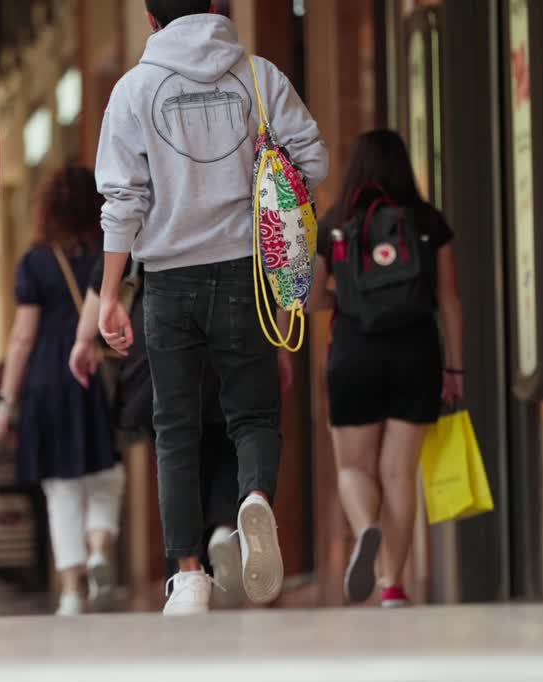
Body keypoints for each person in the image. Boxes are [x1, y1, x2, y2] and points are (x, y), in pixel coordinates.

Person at [94, 0, 327, 615]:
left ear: (151, 20)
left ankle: (189, 575)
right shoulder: (259, 76)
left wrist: (113, 293)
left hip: (167, 279)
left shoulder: (133, 89)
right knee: (252, 414)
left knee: (174, 428)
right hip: (245, 271)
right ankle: (253, 496)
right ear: (219, 7)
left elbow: (122, 199)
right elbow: (314, 161)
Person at [307, 129, 464, 608]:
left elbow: (309, 298)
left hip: (354, 350)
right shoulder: (426, 220)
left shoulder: (335, 224)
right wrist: (455, 370)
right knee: (399, 474)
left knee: (354, 467)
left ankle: (366, 528)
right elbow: (449, 301)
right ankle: (392, 586)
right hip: (416, 351)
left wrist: (346, 301)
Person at [70, 257, 246, 609]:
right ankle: (225, 527)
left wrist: (84, 340)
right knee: (227, 437)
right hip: (224, 326)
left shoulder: (149, 209)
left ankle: (186, 570)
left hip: (160, 340)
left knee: (174, 453)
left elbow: (103, 274)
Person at [0, 165, 123, 617]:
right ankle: (101, 548)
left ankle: (71, 590)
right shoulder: (110, 254)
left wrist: (6, 400)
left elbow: (23, 335)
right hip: (99, 373)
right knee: (105, 473)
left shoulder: (35, 262)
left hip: (48, 378)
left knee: (61, 488)